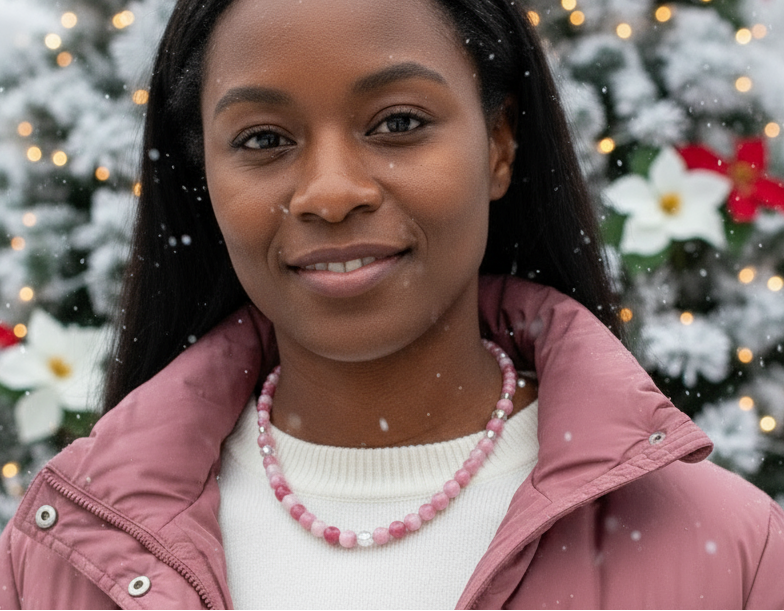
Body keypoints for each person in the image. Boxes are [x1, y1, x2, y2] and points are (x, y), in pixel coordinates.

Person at [2, 0, 783, 608]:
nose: (332, 192)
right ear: (203, 176)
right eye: (264, 140)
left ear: (500, 143)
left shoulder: (734, 550)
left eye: (399, 123)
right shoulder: (65, 554)